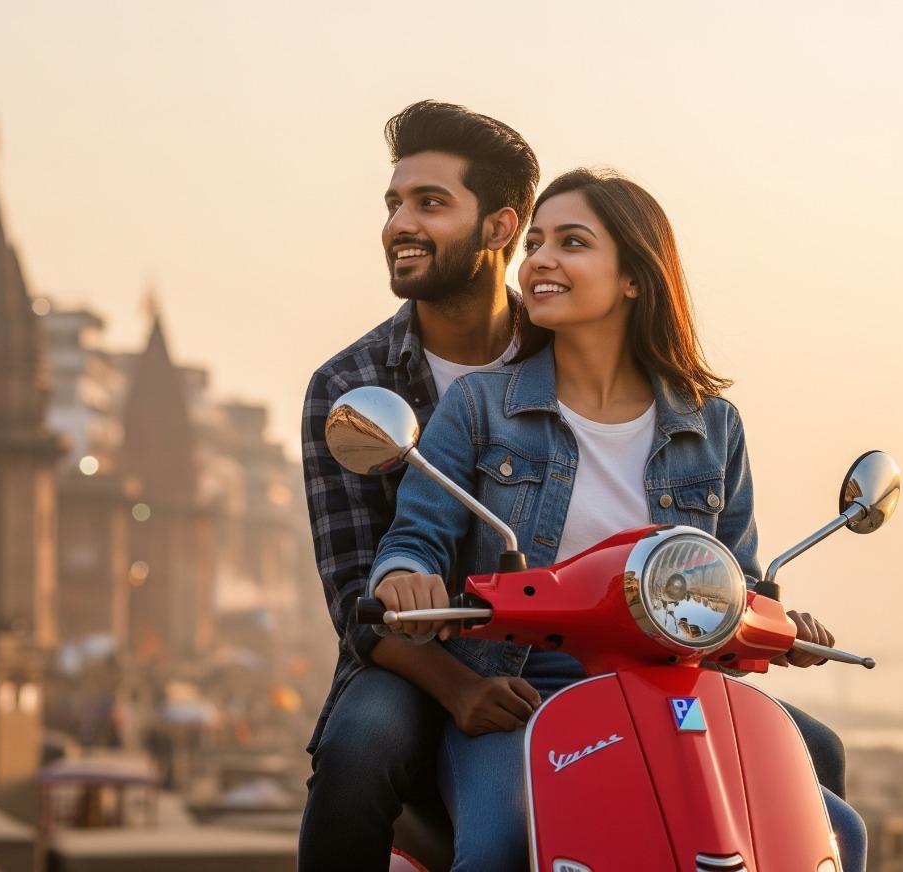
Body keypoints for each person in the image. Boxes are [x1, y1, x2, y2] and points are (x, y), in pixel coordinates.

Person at [369, 168, 868, 872]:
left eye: (571, 243)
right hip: (524, 689)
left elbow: (734, 579)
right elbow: (416, 538)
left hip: (675, 687)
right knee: (503, 842)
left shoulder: (712, 425)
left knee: (835, 830)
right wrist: (404, 578)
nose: (540, 260)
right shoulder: (479, 407)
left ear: (634, 276)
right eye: (534, 244)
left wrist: (781, 625)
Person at [298, 99, 542, 870]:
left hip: (552, 651)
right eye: (393, 203)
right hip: (409, 661)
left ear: (499, 227)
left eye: (430, 203)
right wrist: (460, 689)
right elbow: (355, 599)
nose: (398, 224)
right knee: (356, 753)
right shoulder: (349, 387)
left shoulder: (567, 361)